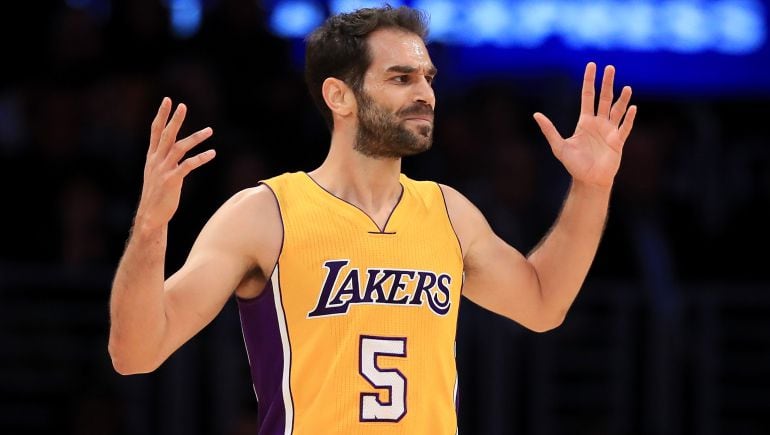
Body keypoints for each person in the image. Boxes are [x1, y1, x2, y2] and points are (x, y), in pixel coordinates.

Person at [108, 5, 636, 434]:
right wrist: (151, 230)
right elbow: (136, 352)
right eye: (401, 78)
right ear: (339, 95)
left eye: (427, 78)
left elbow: (543, 303)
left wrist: (591, 188)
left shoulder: (449, 213)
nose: (425, 93)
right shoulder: (265, 213)